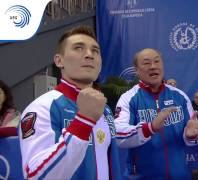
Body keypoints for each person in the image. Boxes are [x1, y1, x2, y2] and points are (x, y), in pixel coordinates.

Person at [18, 26, 121, 179]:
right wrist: (83, 122)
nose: (89, 55)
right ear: (59, 61)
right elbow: (35, 175)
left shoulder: (105, 109)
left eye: (95, 51)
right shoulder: (42, 107)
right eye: (78, 48)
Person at [114, 48, 198, 179]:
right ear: (137, 70)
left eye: (157, 61)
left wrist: (192, 135)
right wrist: (150, 128)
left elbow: (193, 137)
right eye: (146, 63)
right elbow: (118, 135)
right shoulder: (128, 99)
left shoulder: (180, 96)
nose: (153, 66)